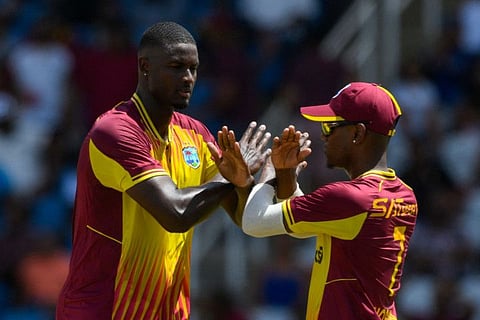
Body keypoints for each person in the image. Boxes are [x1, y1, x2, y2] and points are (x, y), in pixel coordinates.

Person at [56, 21, 270, 319]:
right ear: (145, 66)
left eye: (193, 69)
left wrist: (274, 174)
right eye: (176, 67)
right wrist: (231, 177)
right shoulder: (115, 133)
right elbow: (176, 214)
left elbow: (245, 216)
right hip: (104, 310)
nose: (188, 78)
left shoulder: (196, 134)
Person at [213, 82, 418, 319]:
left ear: (358, 133)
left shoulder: (349, 198)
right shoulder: (404, 194)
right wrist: (287, 178)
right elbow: (302, 228)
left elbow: (253, 223)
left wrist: (269, 173)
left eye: (331, 126)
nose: (322, 134)